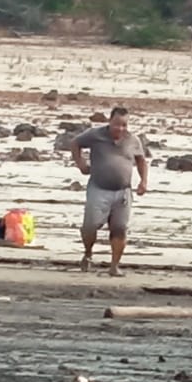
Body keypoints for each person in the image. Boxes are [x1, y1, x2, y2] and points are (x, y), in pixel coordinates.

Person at [71, 107, 148, 276]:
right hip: (98, 188)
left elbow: (141, 161)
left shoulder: (133, 140)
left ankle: (114, 266)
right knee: (90, 226)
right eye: (116, 124)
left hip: (123, 192)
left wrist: (143, 181)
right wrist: (81, 164)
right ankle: (88, 253)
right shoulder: (95, 135)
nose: (120, 128)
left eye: (124, 125)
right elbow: (75, 143)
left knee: (120, 228)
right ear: (109, 121)